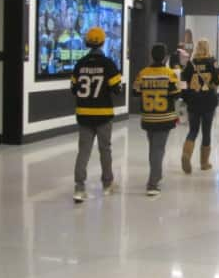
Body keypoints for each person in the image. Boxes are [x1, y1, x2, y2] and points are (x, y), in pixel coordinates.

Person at [70, 27, 122, 203]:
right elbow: (117, 90)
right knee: (104, 149)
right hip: (103, 114)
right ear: (103, 42)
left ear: (87, 43)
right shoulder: (108, 64)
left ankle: (79, 188)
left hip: (83, 114)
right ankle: (107, 184)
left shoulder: (79, 64)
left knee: (83, 151)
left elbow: (73, 89)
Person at [133, 43, 181, 196]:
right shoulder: (169, 74)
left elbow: (135, 92)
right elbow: (176, 94)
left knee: (153, 147)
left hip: (148, 118)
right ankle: (152, 183)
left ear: (151, 56)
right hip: (164, 118)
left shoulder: (143, 73)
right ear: (166, 57)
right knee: (158, 149)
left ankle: (157, 175)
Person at [180, 38, 219, 174]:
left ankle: (186, 154)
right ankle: (204, 163)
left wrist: (186, 97)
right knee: (206, 131)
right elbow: (217, 81)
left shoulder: (190, 64)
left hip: (193, 101)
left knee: (193, 130)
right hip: (208, 101)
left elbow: (183, 81)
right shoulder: (212, 62)